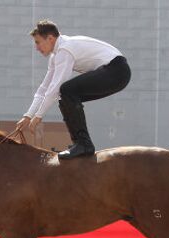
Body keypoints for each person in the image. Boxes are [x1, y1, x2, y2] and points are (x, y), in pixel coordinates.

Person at [17, 20, 131, 159]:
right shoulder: (56, 55)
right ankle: (79, 143)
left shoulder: (65, 49)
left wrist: (39, 116)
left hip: (116, 71)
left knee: (66, 90)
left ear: (50, 38)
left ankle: (84, 144)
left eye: (38, 42)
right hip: (115, 72)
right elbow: (44, 88)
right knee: (65, 96)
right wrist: (28, 115)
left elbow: (55, 87)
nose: (36, 47)